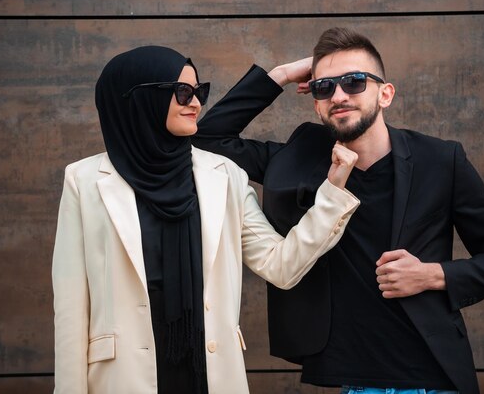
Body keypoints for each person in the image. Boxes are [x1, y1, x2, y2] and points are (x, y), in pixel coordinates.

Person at [193, 27, 484, 394]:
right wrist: (280, 75)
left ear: (385, 94)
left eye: (354, 82)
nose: (339, 95)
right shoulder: (298, 158)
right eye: (325, 87)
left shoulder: (440, 160)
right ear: (316, 102)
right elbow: (206, 141)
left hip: (430, 373)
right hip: (347, 376)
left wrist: (433, 275)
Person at [51, 45, 361, 394]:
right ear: (140, 98)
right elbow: (71, 311)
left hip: (210, 374)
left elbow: (281, 266)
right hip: (122, 379)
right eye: (183, 92)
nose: (196, 103)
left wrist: (332, 194)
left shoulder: (224, 175)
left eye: (200, 92)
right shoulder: (85, 181)